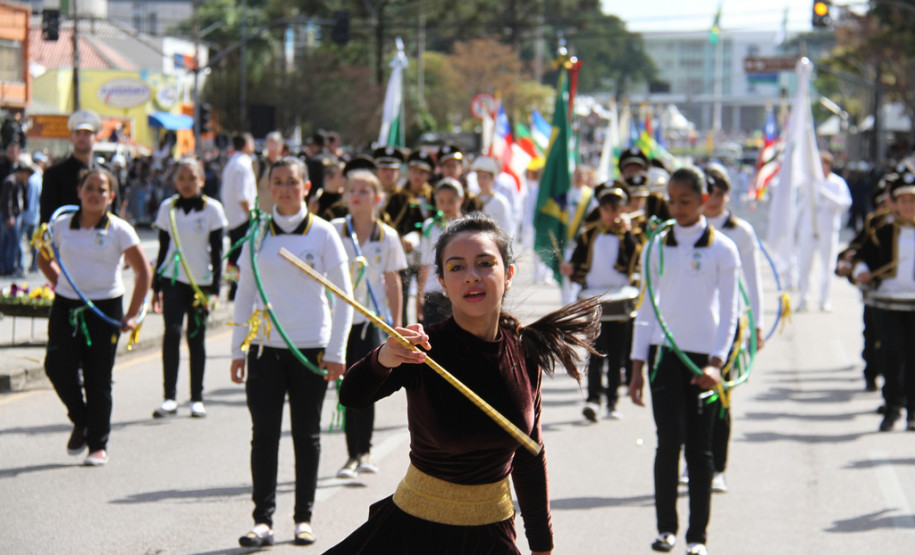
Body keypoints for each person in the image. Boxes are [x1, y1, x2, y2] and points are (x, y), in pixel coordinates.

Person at [325, 211, 600, 555]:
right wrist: (384, 357)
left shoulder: (525, 350)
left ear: (509, 274)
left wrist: (542, 546)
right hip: (414, 533)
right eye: (456, 267)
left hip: (493, 536)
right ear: (441, 282)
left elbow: (530, 454)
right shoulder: (422, 348)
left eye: (485, 263)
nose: (472, 276)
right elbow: (352, 396)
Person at [230, 156, 354, 547]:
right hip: (265, 349)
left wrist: (336, 351)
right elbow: (244, 293)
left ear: (306, 188)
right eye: (277, 182)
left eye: (292, 182)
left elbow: (344, 298)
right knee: (263, 435)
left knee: (306, 434)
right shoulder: (257, 235)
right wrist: (238, 349)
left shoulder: (323, 234)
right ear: (268, 188)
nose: (284, 189)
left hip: (311, 349)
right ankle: (263, 521)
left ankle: (303, 518)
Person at [628, 167, 740, 555]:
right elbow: (646, 307)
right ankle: (665, 530)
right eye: (672, 201)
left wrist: (716, 363)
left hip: (703, 361)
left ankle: (697, 537)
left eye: (686, 201)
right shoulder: (656, 246)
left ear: (705, 198)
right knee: (667, 443)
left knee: (700, 449)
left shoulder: (723, 248)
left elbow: (730, 313)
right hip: (664, 356)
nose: (677, 209)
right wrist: (637, 365)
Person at [38, 168, 153, 466]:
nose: (94, 194)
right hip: (66, 305)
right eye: (89, 187)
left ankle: (98, 444)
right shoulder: (61, 226)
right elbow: (43, 258)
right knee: (56, 366)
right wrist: (61, 282)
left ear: (111, 196)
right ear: (79, 191)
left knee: (97, 377)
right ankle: (82, 419)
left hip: (105, 309)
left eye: (102, 190)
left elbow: (143, 273)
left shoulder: (119, 229)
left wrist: (132, 314)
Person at [330, 169, 407, 479]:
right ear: (346, 195)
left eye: (365, 190)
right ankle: (351, 454)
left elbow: (393, 282)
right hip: (340, 321)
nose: (358, 195)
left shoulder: (386, 235)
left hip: (370, 323)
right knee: (345, 385)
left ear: (377, 198)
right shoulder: (335, 230)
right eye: (353, 189)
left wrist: (397, 324)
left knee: (367, 384)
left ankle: (365, 451)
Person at [700, 163, 766, 494]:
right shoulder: (681, 229)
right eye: (707, 191)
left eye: (719, 192)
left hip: (727, 328)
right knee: (689, 400)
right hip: (689, 327)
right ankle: (694, 461)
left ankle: (717, 467)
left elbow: (752, 282)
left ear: (727, 195)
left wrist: (758, 325)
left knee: (719, 397)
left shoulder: (740, 232)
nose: (712, 199)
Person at [151, 159, 228, 418]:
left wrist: (216, 289)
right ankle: (169, 397)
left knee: (196, 337)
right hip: (173, 280)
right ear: (175, 181)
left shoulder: (213, 210)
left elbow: (218, 252)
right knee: (171, 333)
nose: (187, 183)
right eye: (182, 178)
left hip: (201, 283)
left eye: (192, 178)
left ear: (202, 180)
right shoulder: (167, 208)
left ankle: (197, 397)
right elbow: (163, 248)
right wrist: (155, 286)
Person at [563, 186, 641, 422]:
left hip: (619, 300)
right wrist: (570, 269)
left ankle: (612, 401)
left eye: (616, 208)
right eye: (607, 209)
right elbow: (577, 264)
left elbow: (633, 262)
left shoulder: (630, 235)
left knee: (617, 354)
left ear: (624, 209)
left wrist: (627, 234)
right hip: (596, 300)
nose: (611, 213)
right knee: (596, 352)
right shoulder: (589, 235)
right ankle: (593, 399)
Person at [851, 168, 915, 432]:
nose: (909, 206)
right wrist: (860, 271)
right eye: (904, 201)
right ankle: (891, 409)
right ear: (895, 204)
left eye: (913, 200)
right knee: (891, 356)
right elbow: (858, 256)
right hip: (887, 303)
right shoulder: (881, 229)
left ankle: (913, 411)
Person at [796, 152, 852, 312]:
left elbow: (845, 204)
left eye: (824, 163)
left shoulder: (837, 183)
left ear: (829, 165)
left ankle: (824, 300)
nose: (821, 167)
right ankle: (804, 298)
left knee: (827, 266)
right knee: (805, 265)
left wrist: (826, 194)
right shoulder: (808, 183)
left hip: (828, 230)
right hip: (809, 229)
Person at [40, 110, 103, 224]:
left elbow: (114, 213)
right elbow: (47, 217)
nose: (82, 138)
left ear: (96, 138)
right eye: (78, 133)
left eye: (87, 133)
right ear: (71, 137)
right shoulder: (54, 174)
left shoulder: (105, 174)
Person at [416, 178, 463, 324]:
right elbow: (426, 262)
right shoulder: (429, 226)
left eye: (451, 201)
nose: (446, 206)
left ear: (460, 200)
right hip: (434, 291)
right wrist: (420, 294)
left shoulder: (465, 226)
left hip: (458, 290)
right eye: (441, 201)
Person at [221, 133, 257, 301]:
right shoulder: (243, 164)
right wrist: (251, 214)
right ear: (246, 145)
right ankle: (237, 288)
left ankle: (232, 286)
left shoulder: (232, 162)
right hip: (242, 217)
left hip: (233, 215)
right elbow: (243, 195)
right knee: (241, 255)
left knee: (233, 255)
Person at [0, 157, 31, 275]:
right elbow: (6, 201)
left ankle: (7, 267)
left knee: (8, 242)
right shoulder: (10, 181)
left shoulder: (18, 182)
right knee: (11, 242)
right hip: (8, 217)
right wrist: (9, 216)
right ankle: (8, 267)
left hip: (12, 215)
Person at [471, 156, 514, 234]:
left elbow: (505, 228)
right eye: (479, 177)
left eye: (485, 177)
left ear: (492, 179)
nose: (481, 181)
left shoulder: (500, 201)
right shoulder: (473, 199)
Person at [21, 151, 46, 272]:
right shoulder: (38, 178)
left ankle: (28, 265)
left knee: (22, 240)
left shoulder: (34, 179)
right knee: (34, 241)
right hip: (34, 214)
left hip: (30, 214)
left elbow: (31, 199)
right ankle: (34, 265)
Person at [254, 131, 285, 214]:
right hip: (264, 214)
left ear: (281, 147)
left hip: (281, 213)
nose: (272, 148)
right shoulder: (258, 164)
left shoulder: (285, 165)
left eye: (275, 145)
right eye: (270, 145)